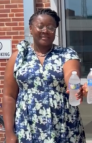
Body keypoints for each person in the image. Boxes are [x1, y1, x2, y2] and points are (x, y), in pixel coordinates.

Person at [3, 8, 85, 143]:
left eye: (51, 27)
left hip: (63, 126)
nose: (45, 30)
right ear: (31, 28)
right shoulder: (18, 57)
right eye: (40, 26)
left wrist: (72, 84)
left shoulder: (66, 54)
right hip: (27, 128)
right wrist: (10, 133)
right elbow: (9, 96)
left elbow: (71, 73)